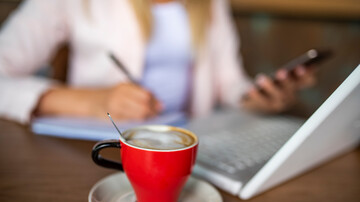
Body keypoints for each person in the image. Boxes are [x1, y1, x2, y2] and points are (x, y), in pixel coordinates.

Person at [0, 0, 315, 125]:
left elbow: (229, 82)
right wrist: (91, 102)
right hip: (101, 152)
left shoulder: (211, 4)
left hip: (189, 148)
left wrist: (258, 97)